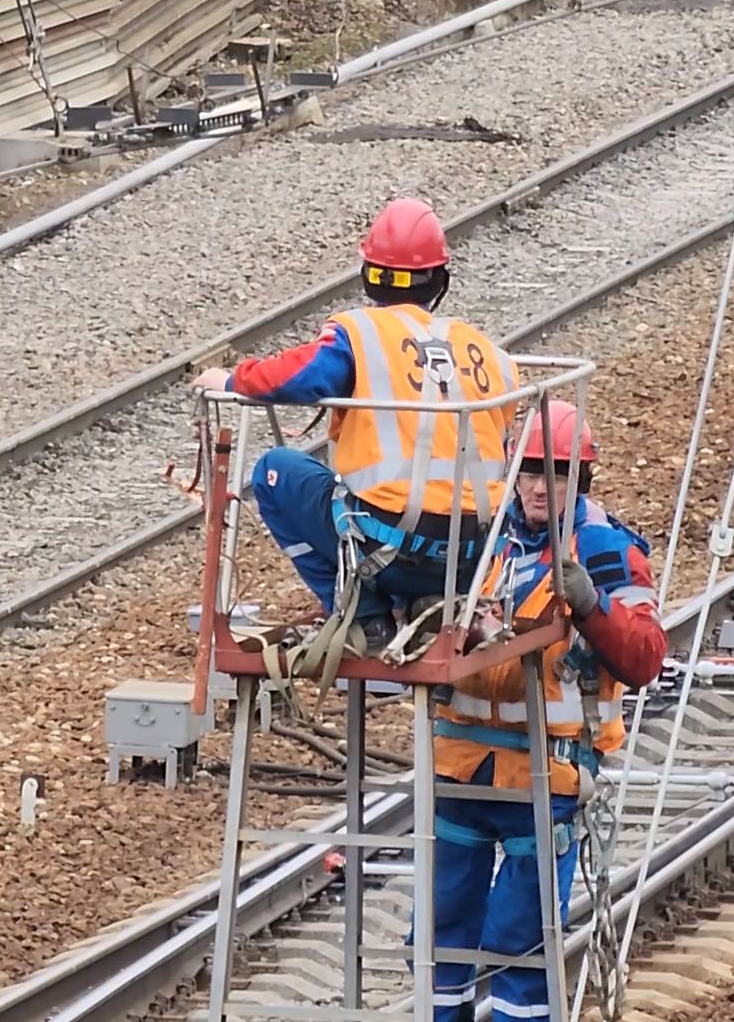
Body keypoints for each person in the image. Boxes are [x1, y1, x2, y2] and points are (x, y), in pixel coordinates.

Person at [415, 400, 669, 1022]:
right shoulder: (478, 538)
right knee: (436, 940)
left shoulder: (606, 550)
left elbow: (644, 657)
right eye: (528, 471)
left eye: (553, 473)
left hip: (546, 779)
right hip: (462, 770)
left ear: (578, 481)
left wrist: (590, 602)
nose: (536, 486)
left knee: (518, 949)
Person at [191, 197, 520, 653]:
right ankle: (432, 604)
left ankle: (364, 617)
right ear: (441, 280)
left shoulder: (361, 334)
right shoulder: (485, 351)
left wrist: (231, 379)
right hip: (472, 556)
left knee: (276, 471)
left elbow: (300, 376)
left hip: (390, 549)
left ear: (368, 275)